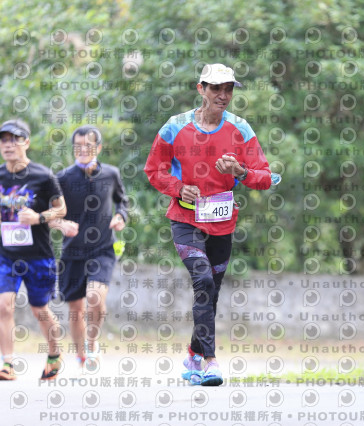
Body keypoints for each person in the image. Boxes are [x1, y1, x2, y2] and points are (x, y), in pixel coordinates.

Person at [144, 63, 273, 386]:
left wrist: (240, 171)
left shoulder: (240, 129)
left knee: (210, 291)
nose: (223, 95)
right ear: (201, 89)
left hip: (222, 222)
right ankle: (210, 362)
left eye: (228, 89)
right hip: (185, 219)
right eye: (216, 88)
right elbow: (154, 170)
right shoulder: (175, 127)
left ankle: (192, 354)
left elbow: (265, 177)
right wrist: (178, 188)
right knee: (202, 279)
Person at [53, 125, 128, 367]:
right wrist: (60, 224)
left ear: (99, 147)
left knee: (95, 297)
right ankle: (82, 357)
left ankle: (92, 344)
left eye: (88, 145)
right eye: (78, 145)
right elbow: (49, 213)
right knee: (76, 308)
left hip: (103, 249)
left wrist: (121, 217)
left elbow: (122, 201)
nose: (83, 149)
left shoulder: (111, 174)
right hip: (72, 251)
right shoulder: (62, 178)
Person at [0, 119, 68, 380]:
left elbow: (61, 209)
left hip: (38, 256)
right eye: (4, 140)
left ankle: (54, 354)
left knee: (39, 309)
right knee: (4, 306)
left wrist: (38, 217)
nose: (8, 145)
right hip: (6, 255)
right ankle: (7, 364)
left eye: (14, 139)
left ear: (26, 142)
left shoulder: (42, 175)